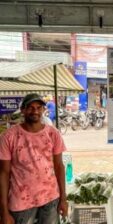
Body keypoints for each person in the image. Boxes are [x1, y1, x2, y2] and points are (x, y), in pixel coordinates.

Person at [0, 93, 68, 224]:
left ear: (43, 110)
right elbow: (3, 173)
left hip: (50, 199)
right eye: (30, 107)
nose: (35, 111)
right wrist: (3, 210)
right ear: (23, 110)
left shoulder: (53, 134)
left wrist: (63, 199)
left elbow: (59, 166)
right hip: (21, 203)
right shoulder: (8, 137)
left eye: (39, 107)